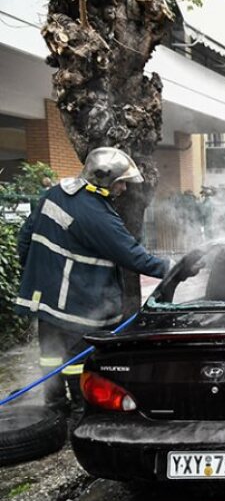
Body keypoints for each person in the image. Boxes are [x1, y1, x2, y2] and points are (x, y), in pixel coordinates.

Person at [16, 147, 170, 420]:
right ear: (104, 180)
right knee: (77, 360)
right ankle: (80, 410)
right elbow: (131, 255)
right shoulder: (95, 213)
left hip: (46, 298)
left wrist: (36, 274)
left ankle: (53, 407)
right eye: (120, 182)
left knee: (50, 355)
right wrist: (171, 269)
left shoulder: (54, 194)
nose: (123, 188)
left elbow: (25, 239)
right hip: (76, 303)